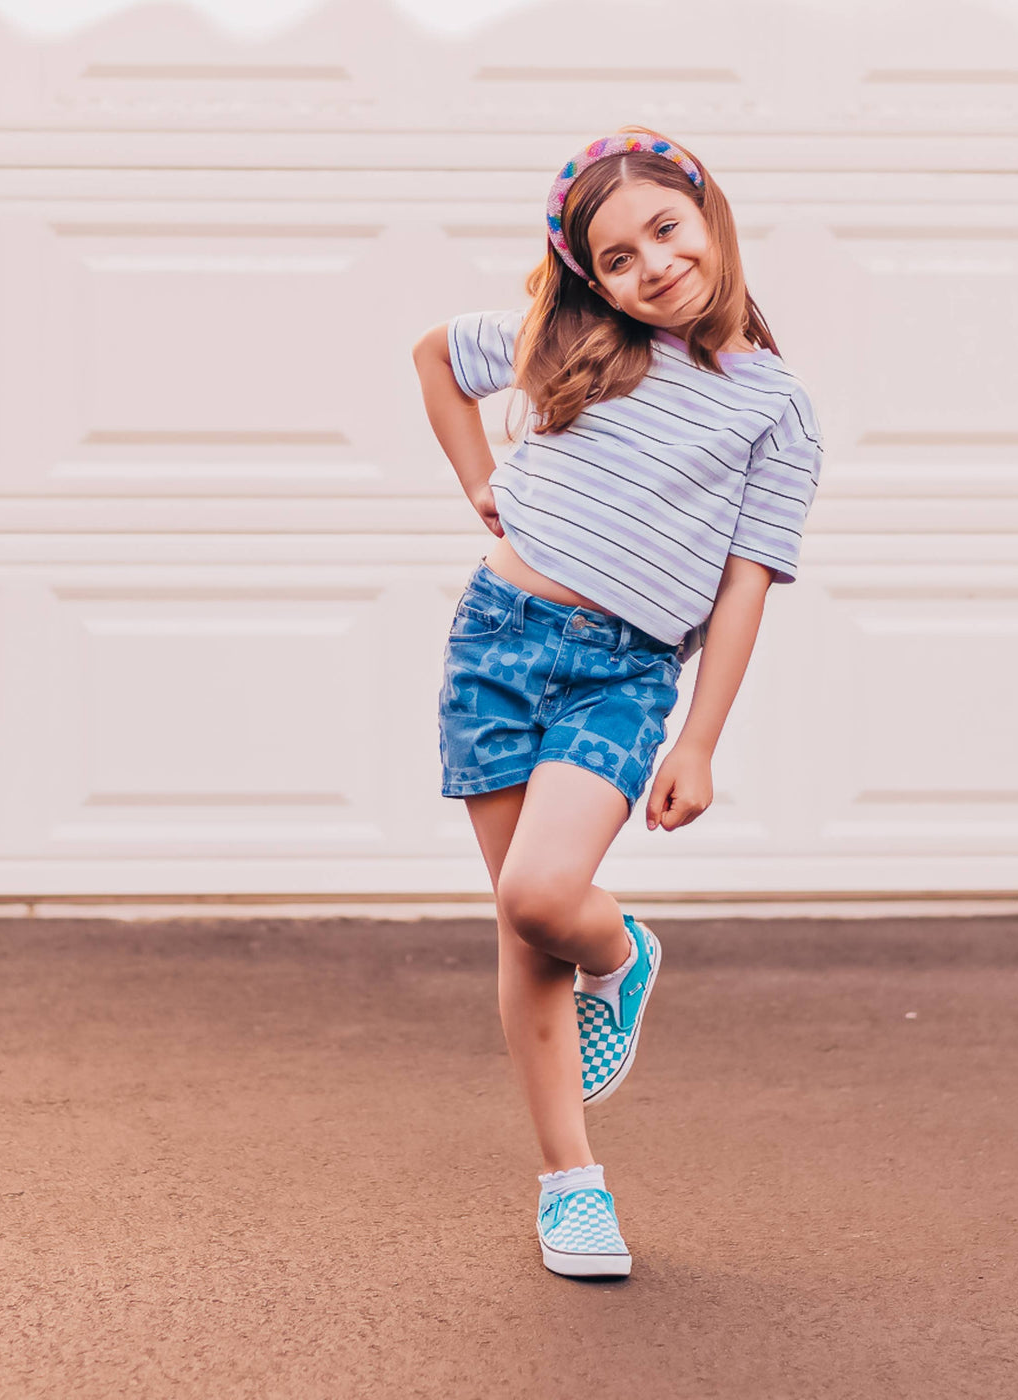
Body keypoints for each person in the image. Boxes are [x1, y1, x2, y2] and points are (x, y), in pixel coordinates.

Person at [411, 126, 823, 1279]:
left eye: (664, 230)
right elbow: (434, 356)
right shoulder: (568, 337)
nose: (651, 264)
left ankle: (624, 948)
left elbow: (745, 586)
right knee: (518, 922)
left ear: (708, 218)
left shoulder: (773, 407)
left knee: (546, 895)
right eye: (617, 254)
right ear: (588, 274)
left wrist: (697, 736)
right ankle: (569, 1183)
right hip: (495, 639)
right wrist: (477, 479)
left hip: (622, 667)